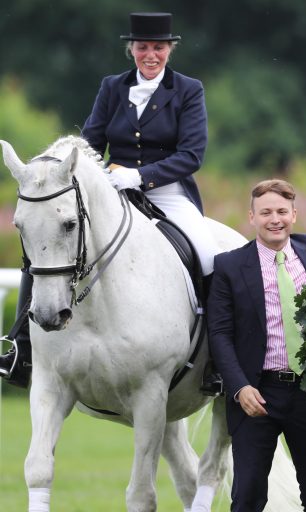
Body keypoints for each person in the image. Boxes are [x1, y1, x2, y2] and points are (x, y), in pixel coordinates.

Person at [79, 12, 223, 394]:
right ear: (132, 50)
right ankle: (21, 346)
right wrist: (100, 175)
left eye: (158, 47)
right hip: (113, 189)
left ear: (169, 49)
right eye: (143, 47)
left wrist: (140, 176)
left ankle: (217, 360)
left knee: (209, 257)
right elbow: (91, 142)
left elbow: (192, 154)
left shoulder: (189, 89)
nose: (151, 54)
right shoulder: (112, 87)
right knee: (61, 239)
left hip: (167, 192)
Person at [207, 179, 306, 512]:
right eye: (265, 212)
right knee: (248, 495)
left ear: (294, 214)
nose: (274, 219)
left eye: (281, 211)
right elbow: (219, 334)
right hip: (256, 393)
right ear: (252, 217)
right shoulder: (229, 267)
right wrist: (239, 388)